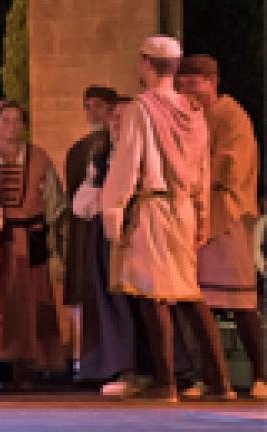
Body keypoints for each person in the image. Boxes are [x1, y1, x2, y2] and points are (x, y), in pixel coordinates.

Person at [96, 36, 233, 401]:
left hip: (154, 207)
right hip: (185, 208)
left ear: (145, 64)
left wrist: (113, 209)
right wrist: (202, 214)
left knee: (153, 293)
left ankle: (166, 381)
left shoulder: (142, 108)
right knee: (188, 292)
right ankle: (220, 381)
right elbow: (203, 169)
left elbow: (129, 161)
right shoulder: (194, 110)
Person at [176, 54, 265, 399]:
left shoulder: (232, 115)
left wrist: (192, 176)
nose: (188, 92)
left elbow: (232, 164)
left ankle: (261, 374)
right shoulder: (193, 117)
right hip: (199, 217)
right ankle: (208, 376)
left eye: (193, 84)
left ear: (211, 81)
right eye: (182, 86)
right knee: (200, 303)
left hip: (228, 217)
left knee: (240, 301)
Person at [0, 99, 66, 383]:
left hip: (31, 239)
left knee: (31, 300)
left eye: (17, 120)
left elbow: (54, 202)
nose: (12, 126)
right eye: (6, 120)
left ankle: (29, 365)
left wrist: (54, 248)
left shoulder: (39, 157)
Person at [64, 86, 141, 389]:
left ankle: (135, 368)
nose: (115, 122)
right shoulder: (97, 150)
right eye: (114, 118)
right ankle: (109, 366)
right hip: (102, 232)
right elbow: (81, 201)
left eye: (122, 117)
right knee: (106, 302)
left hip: (132, 232)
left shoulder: (135, 150)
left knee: (130, 302)